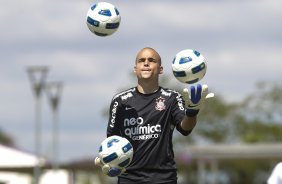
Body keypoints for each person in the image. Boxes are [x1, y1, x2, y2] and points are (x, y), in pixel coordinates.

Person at [95, 47, 214, 184]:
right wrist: (110, 162)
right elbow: (112, 140)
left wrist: (192, 112)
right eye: (141, 61)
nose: (146, 63)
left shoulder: (172, 98)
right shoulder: (120, 101)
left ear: (160, 69)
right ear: (135, 69)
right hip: (129, 179)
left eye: (151, 60)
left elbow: (185, 128)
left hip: (163, 178)